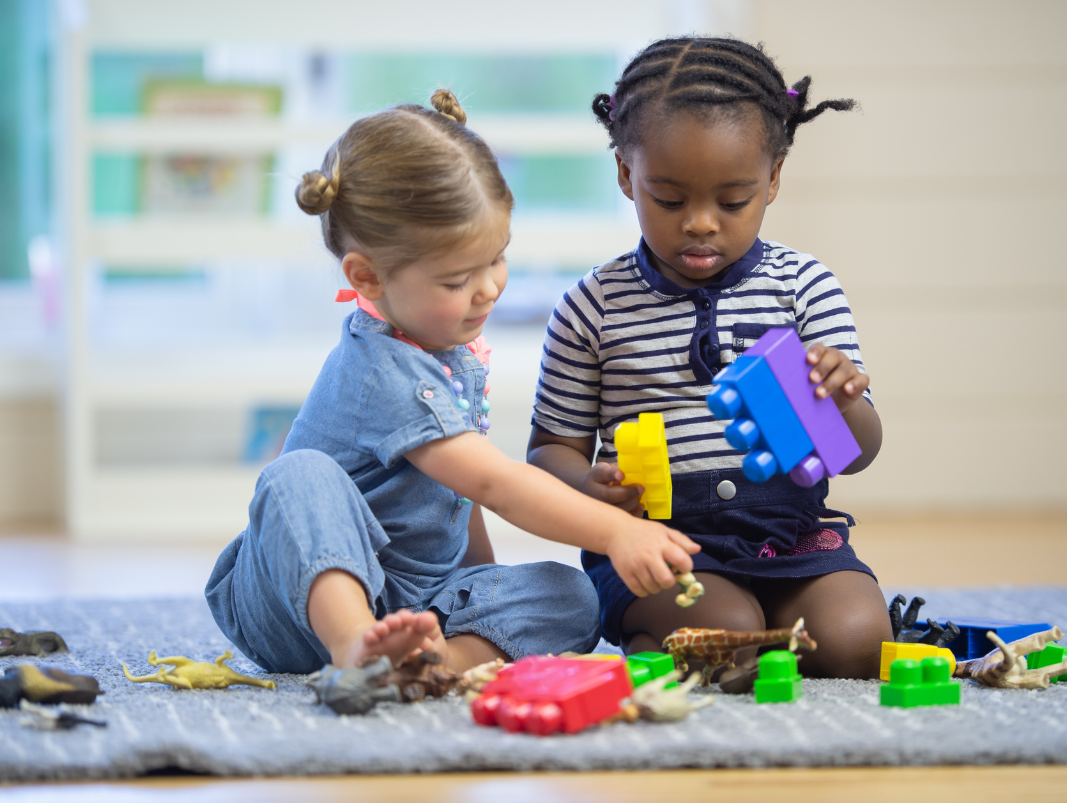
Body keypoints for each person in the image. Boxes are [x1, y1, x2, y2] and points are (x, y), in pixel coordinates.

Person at [206, 90, 698, 676]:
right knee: (297, 475)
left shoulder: (448, 352)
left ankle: (436, 662)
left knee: (574, 596)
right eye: (459, 278)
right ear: (368, 275)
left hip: (413, 600)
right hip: (294, 603)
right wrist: (616, 530)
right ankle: (356, 650)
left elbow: (461, 497)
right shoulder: (381, 368)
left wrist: (480, 591)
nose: (490, 288)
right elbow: (495, 482)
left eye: (498, 258)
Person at [527, 38, 892, 680]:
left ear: (772, 179)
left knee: (858, 643)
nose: (700, 223)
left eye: (732, 201)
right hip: (658, 545)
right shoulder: (593, 306)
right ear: (624, 174)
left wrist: (842, 403)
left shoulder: (804, 286)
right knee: (729, 637)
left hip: (794, 533)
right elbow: (549, 450)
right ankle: (679, 629)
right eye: (669, 200)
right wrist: (590, 488)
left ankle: (760, 622)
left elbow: (857, 453)